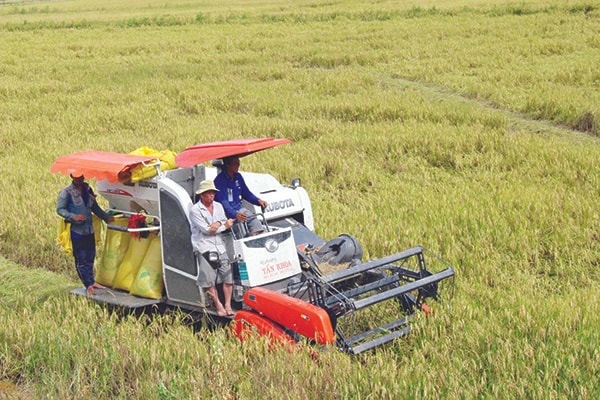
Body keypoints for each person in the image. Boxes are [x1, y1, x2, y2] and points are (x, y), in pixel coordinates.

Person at [56, 174, 115, 295]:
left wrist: (105, 217)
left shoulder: (88, 190)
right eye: (76, 176)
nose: (79, 178)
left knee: (90, 256)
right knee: (81, 259)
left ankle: (92, 281)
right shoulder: (66, 192)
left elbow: (94, 207)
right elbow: (60, 209)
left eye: (81, 176)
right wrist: (73, 216)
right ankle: (88, 284)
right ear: (72, 176)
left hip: (89, 229)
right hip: (77, 231)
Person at [190, 180, 235, 316]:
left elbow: (221, 219)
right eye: (209, 193)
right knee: (209, 279)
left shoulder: (218, 206)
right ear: (202, 195)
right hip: (205, 246)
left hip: (220, 246)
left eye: (213, 193)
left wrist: (217, 223)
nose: (211, 195)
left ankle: (227, 303)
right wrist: (224, 226)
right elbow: (206, 230)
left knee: (227, 275)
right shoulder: (195, 210)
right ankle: (218, 304)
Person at [214, 156, 268, 237]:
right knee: (241, 225)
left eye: (238, 163)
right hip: (225, 213)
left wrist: (258, 201)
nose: (238, 165)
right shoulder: (219, 181)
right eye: (235, 164)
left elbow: (246, 193)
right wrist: (235, 214)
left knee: (253, 219)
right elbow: (223, 202)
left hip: (239, 210)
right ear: (228, 165)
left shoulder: (238, 177)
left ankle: (257, 237)